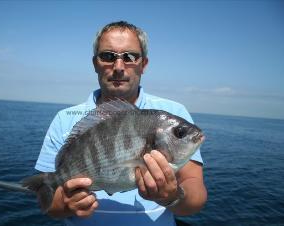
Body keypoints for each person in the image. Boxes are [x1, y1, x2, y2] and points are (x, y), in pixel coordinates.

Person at [35, 21, 207, 226]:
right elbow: (51, 207)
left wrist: (172, 196)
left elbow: (196, 195)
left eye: (130, 57)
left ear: (143, 64)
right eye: (107, 56)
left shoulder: (174, 112)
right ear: (95, 63)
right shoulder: (64, 118)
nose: (118, 67)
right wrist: (65, 205)